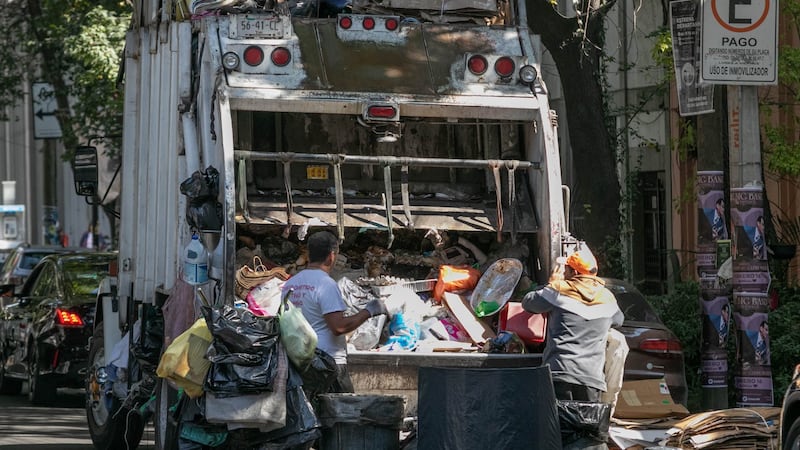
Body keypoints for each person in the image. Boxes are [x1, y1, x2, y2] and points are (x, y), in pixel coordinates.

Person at [281, 231, 388, 393]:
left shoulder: (291, 284)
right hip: (327, 364)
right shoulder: (326, 284)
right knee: (344, 413)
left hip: (300, 361)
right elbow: (339, 327)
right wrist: (369, 311)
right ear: (332, 256)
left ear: (309, 254)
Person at [522, 246, 624, 401]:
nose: (564, 272)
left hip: (559, 373)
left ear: (574, 273)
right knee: (585, 424)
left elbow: (528, 303)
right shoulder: (607, 298)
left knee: (555, 424)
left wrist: (551, 284)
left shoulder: (559, 290)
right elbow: (618, 321)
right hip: (591, 379)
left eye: (566, 269)